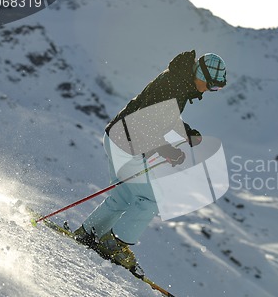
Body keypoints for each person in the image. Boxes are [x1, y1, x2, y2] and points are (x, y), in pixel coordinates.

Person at [73, 50, 227, 276]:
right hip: (125, 143)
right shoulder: (174, 86)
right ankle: (114, 245)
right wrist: (166, 150)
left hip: (118, 139)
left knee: (125, 196)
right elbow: (144, 124)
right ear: (202, 75)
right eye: (213, 86)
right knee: (152, 198)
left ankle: (88, 233)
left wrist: (186, 133)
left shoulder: (179, 83)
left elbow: (166, 117)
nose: (211, 91)